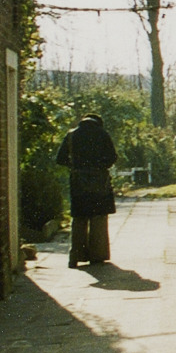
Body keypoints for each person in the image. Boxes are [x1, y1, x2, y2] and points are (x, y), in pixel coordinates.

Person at [57, 113, 117, 268]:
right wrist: (100, 166)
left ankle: (76, 255)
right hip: (99, 181)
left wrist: (75, 165)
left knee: (79, 218)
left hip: (78, 182)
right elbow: (112, 157)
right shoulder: (103, 134)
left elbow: (60, 158)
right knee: (98, 218)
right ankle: (98, 255)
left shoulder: (71, 135)